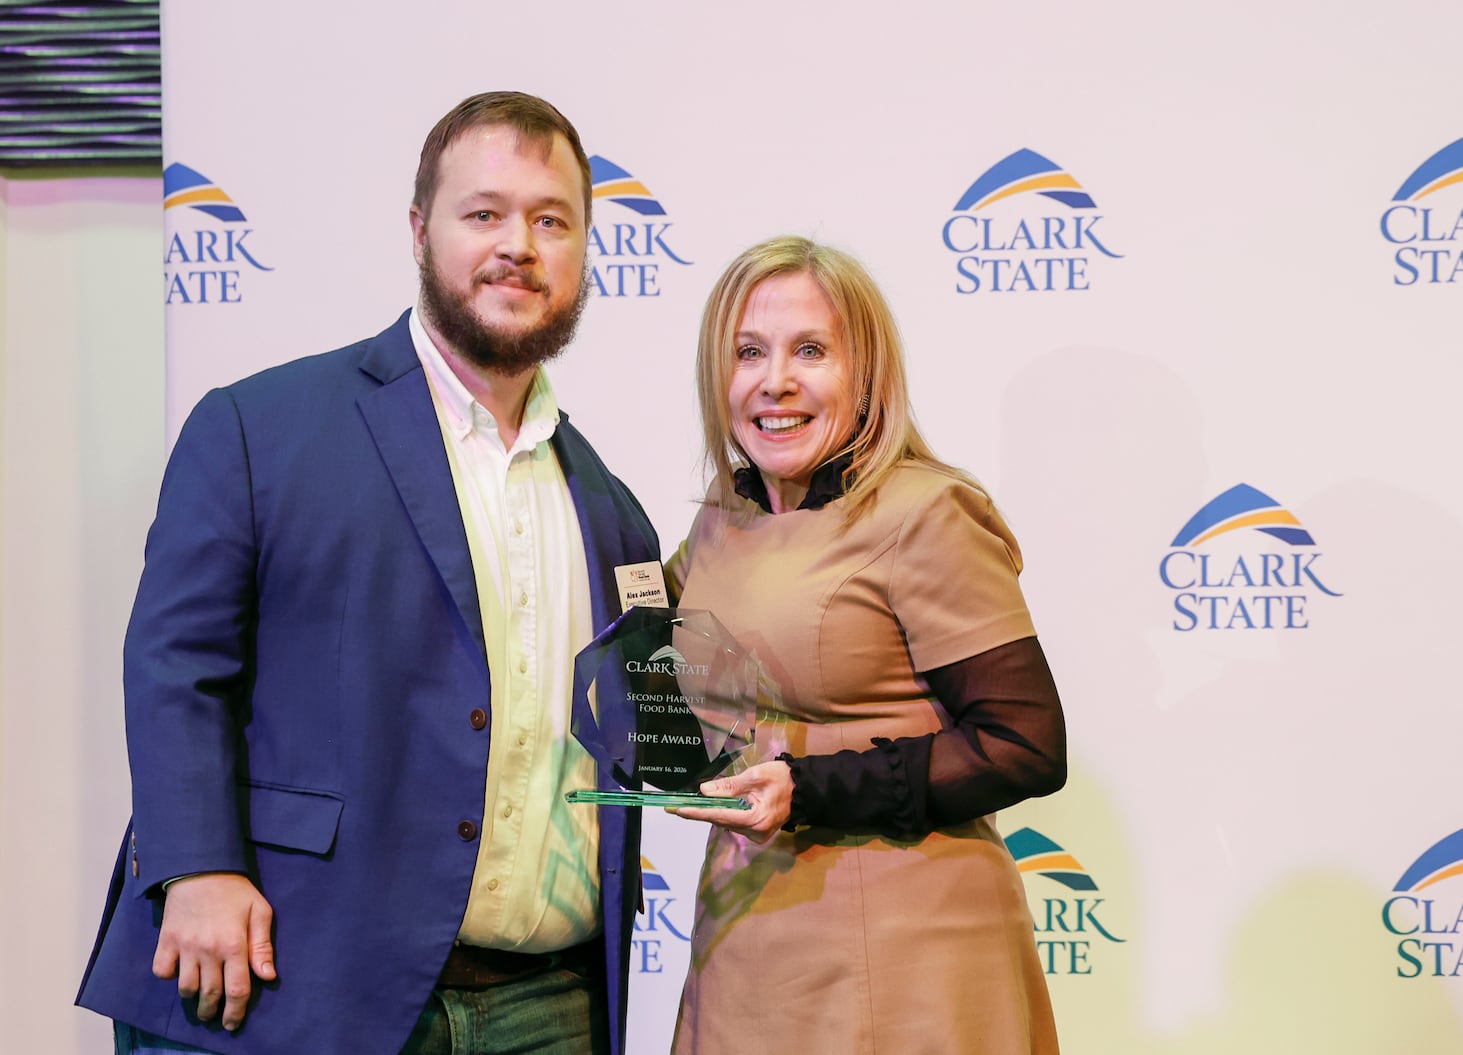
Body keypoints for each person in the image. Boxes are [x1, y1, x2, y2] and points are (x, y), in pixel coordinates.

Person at [76, 91, 659, 1055]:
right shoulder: (261, 427)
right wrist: (195, 866)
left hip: (550, 1006)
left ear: (586, 250)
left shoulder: (612, 509)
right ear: (421, 230)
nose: (520, 242)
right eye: (485, 214)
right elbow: (176, 664)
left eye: (552, 220)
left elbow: (650, 728)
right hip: (290, 975)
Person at [667, 236, 1068, 1053]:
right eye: (749, 352)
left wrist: (808, 787)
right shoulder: (720, 519)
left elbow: (1026, 743)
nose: (775, 380)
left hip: (909, 958)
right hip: (747, 947)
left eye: (810, 350)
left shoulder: (925, 512)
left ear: (866, 376)